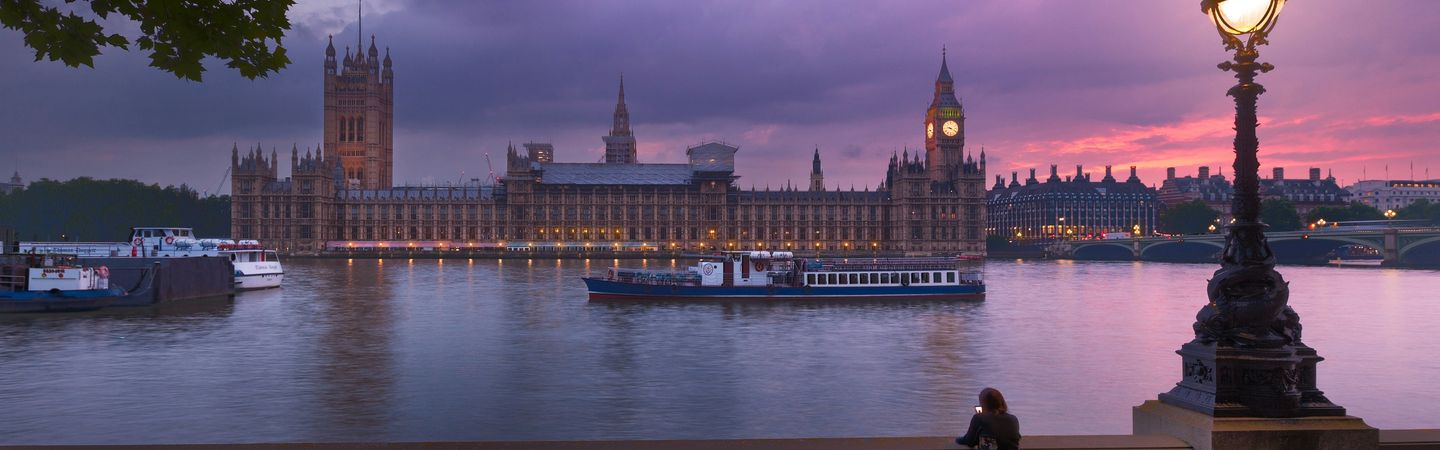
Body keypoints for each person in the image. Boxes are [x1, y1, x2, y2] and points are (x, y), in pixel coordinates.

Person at [955, 387, 1021, 450]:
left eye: (980, 403)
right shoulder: (1013, 419)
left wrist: (956, 439)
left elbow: (969, 441)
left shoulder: (979, 418)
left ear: (984, 404)